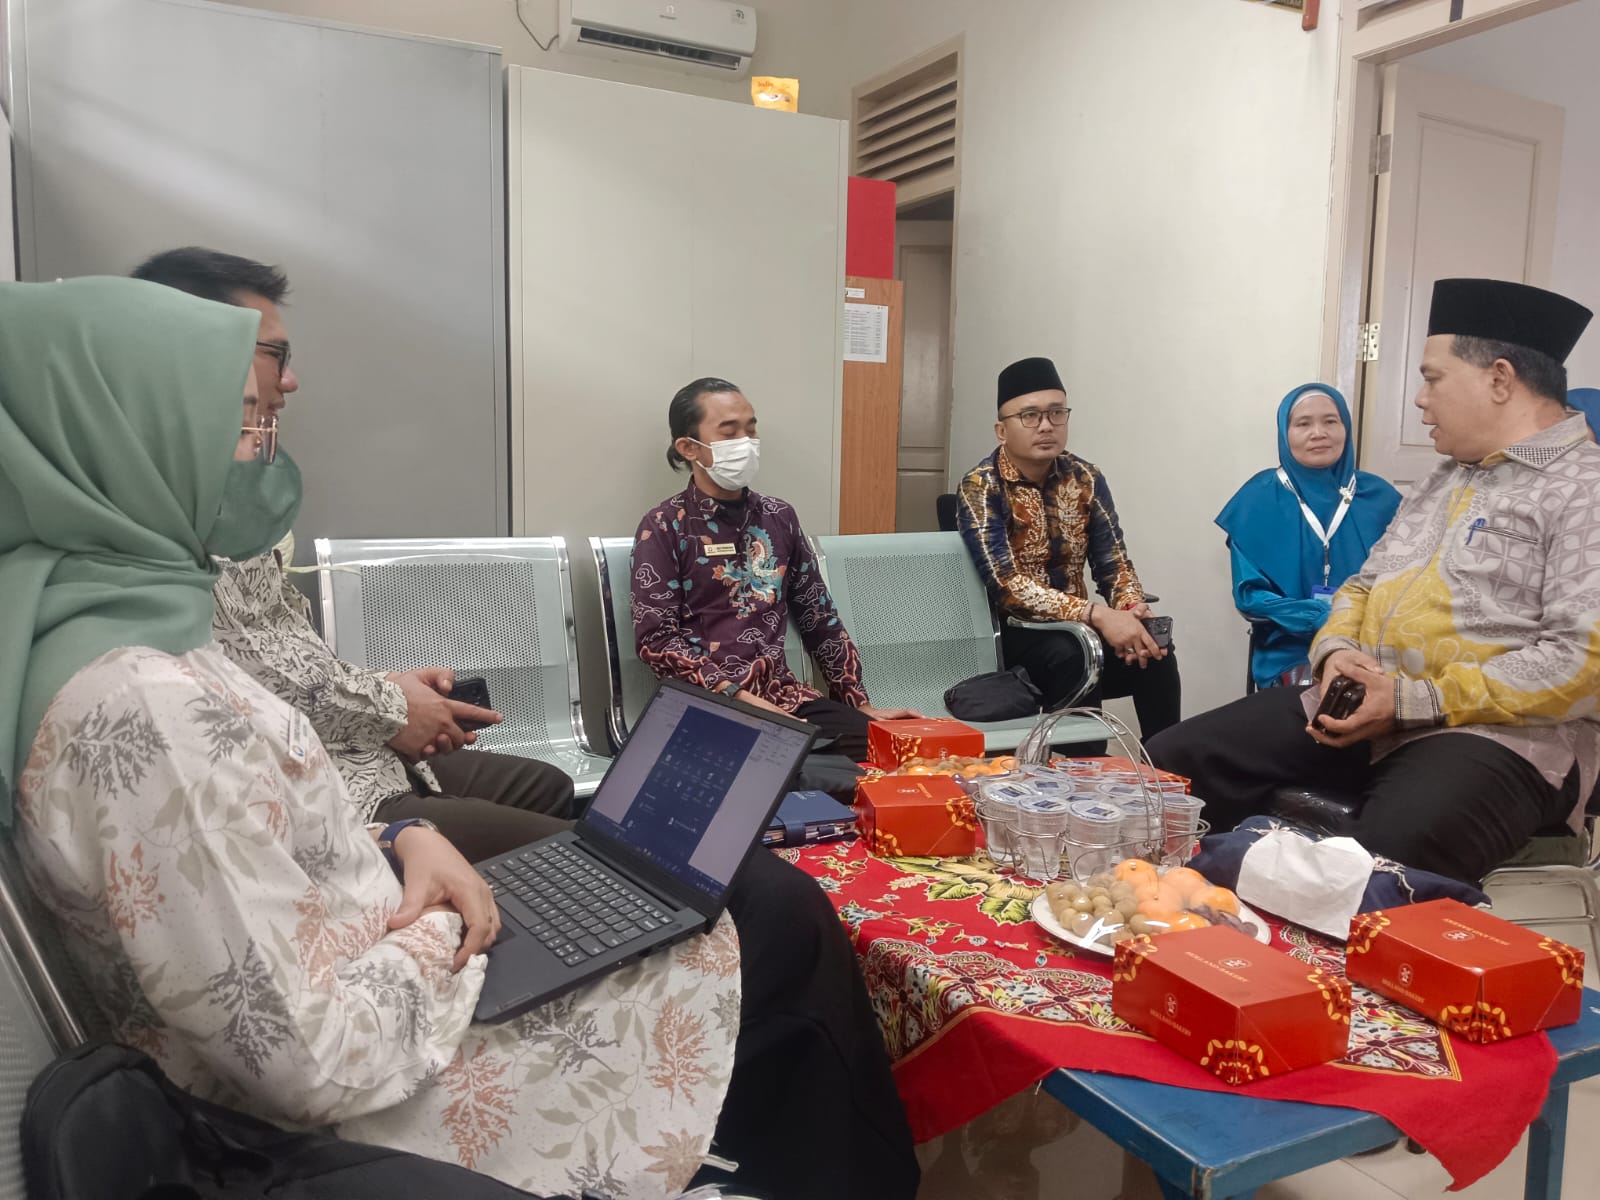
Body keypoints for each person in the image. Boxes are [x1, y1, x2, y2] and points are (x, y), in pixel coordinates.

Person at [1, 277, 918, 1200]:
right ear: (123, 443)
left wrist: (400, 839)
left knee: (719, 893)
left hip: (385, 936)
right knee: (769, 912)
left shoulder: (127, 632)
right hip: (393, 1078)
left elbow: (246, 846)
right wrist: (452, 921)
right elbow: (308, 1058)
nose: (261, 450)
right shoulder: (140, 706)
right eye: (237, 424)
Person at [1148, 279, 1600, 885]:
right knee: (1166, 769)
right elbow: (1362, 586)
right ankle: (1180, 917)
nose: (1420, 400)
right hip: (1366, 704)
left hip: (1500, 736)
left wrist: (1412, 701)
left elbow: (1581, 661)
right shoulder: (1445, 478)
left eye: (1433, 378)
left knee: (1375, 866)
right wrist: (1336, 652)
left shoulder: (1584, 488)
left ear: (1499, 379)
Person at [131, 247, 574, 862]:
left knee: (549, 785)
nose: (290, 382)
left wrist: (385, 689)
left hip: (352, 748)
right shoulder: (157, 518)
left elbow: (282, 651)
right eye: (276, 355)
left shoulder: (230, 500)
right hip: (321, 791)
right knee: (570, 857)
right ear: (194, 351)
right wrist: (392, 710)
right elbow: (246, 683)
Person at [632, 377, 918, 763]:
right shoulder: (664, 526)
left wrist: (857, 702)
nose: (746, 442)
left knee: (888, 753)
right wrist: (735, 695)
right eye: (729, 432)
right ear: (689, 448)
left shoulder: (778, 517)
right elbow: (657, 640)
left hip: (785, 699)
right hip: (707, 706)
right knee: (786, 766)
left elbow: (818, 616)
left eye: (750, 429)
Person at [955, 356, 1181, 741]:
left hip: (1080, 627)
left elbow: (1113, 563)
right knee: (1073, 652)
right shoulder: (981, 486)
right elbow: (1007, 586)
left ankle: (1166, 761)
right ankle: (1084, 766)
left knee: (1154, 646)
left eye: (1056, 413)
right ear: (1001, 430)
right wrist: (1096, 615)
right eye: (1030, 416)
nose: (1046, 425)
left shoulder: (1085, 478)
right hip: (1012, 634)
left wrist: (1130, 608)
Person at [1216, 384, 1401, 690]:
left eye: (1331, 421)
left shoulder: (1382, 498)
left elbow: (1409, 579)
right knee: (1330, 697)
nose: (1319, 433)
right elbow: (1250, 594)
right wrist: (1320, 616)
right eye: (1303, 424)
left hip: (1375, 645)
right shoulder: (1257, 500)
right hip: (1293, 649)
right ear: (1284, 433)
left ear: (1346, 428)